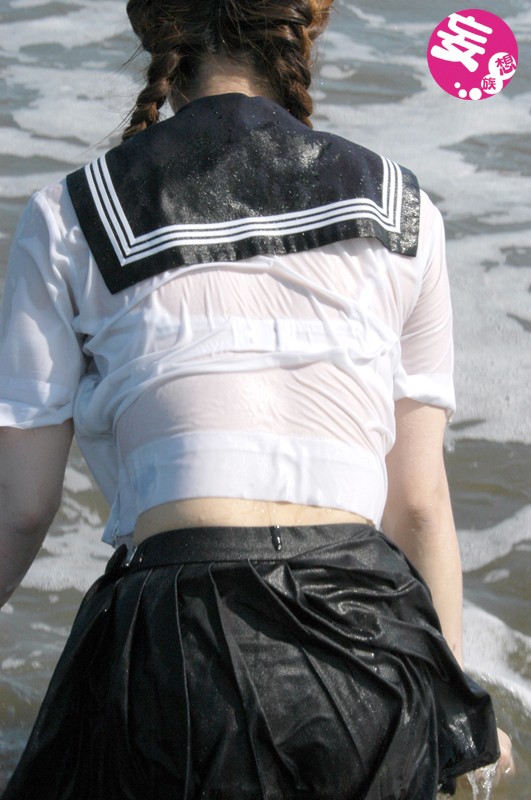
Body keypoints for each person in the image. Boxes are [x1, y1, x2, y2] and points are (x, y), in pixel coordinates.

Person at [0, 0, 513, 797]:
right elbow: (416, 504)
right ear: (305, 30)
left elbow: (22, 508)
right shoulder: (402, 207)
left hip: (177, 640)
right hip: (373, 647)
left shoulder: (73, 211)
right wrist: (456, 713)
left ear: (156, 34)